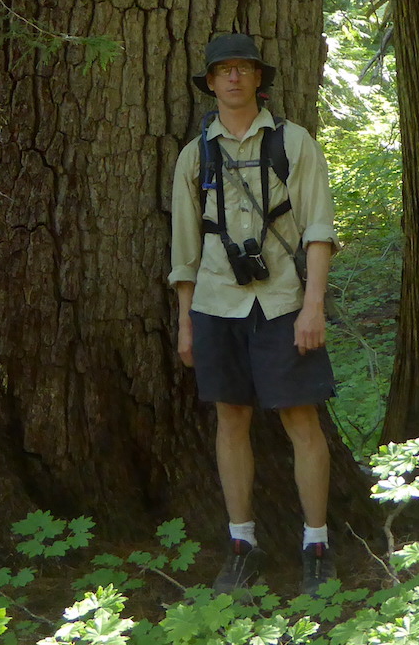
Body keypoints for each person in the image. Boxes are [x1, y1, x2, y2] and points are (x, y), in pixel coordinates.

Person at [169, 32, 339, 596]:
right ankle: (242, 543)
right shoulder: (196, 155)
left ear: (259, 78)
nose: (235, 78)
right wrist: (185, 320)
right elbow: (184, 249)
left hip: (285, 302)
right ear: (212, 83)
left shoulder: (293, 142)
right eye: (224, 70)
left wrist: (313, 305)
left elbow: (318, 229)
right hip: (218, 303)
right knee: (231, 419)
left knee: (301, 421)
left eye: (244, 69)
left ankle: (317, 543)